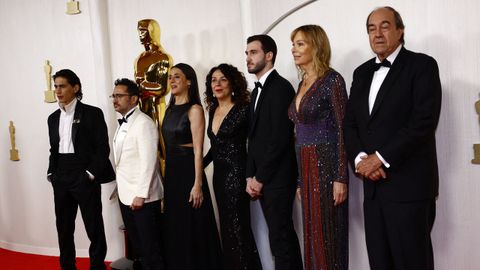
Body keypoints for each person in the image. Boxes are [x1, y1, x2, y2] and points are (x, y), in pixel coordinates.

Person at [343, 6, 441, 270]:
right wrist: (363, 159)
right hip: (373, 190)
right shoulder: (361, 73)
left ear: (400, 30)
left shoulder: (422, 66)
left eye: (384, 26)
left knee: (413, 263)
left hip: (409, 187)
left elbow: (423, 123)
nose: (377, 34)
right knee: (380, 263)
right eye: (371, 28)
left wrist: (380, 159)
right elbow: (350, 124)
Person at [288, 24, 348, 270]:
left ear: (317, 46)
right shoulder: (301, 82)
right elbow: (298, 134)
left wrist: (341, 176)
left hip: (327, 164)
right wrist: (300, 181)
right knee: (311, 235)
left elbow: (343, 129)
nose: (293, 49)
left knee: (328, 236)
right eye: (293, 44)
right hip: (305, 164)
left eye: (300, 44)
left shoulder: (332, 80)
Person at [47, 69, 115, 270]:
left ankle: (97, 266)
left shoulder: (92, 113)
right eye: (56, 86)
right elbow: (54, 148)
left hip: (83, 175)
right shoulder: (52, 118)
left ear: (75, 87)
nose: (58, 91)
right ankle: (67, 266)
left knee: (94, 226)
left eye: (63, 86)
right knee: (64, 228)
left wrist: (90, 174)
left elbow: (102, 147)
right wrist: (52, 172)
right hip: (61, 176)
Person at [245, 34, 303, 270]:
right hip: (263, 178)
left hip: (277, 178)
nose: (248, 58)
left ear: (269, 56)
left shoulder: (281, 87)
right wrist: (250, 175)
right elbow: (254, 138)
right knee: (277, 237)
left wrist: (260, 177)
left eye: (253, 52)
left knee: (281, 239)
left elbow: (280, 139)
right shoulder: (256, 91)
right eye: (247, 53)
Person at [161, 63, 222, 270]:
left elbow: (198, 150)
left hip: (189, 171)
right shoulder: (168, 110)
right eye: (170, 77)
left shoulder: (194, 109)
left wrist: (197, 184)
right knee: (176, 224)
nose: (172, 80)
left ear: (188, 81)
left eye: (177, 77)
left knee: (193, 223)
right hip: (171, 173)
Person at [203, 63, 262, 270]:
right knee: (226, 228)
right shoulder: (212, 109)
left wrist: (253, 175)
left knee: (239, 228)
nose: (217, 84)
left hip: (237, 174)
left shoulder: (243, 108)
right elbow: (216, 146)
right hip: (218, 177)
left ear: (232, 83)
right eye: (213, 80)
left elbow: (255, 143)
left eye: (223, 80)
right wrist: (198, 165)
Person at [111, 78, 165, 270]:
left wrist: (141, 194)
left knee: (152, 250)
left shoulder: (144, 123)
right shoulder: (122, 123)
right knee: (140, 249)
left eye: (119, 95)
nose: (114, 99)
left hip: (143, 198)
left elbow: (149, 162)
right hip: (126, 195)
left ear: (133, 99)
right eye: (114, 95)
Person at [134, 18, 173, 176]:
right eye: (139, 31)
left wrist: (142, 85)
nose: (140, 35)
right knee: (144, 152)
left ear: (152, 31)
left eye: (143, 31)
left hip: (157, 109)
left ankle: (167, 194)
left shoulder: (162, 57)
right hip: (141, 109)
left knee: (162, 151)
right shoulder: (139, 59)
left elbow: (163, 88)